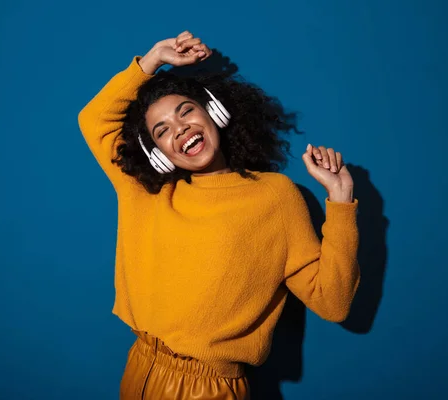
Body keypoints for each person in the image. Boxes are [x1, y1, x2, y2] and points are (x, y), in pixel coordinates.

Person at [78, 31, 360, 400]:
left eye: (186, 111)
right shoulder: (146, 191)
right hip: (140, 368)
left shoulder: (274, 196)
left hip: (208, 389)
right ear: (157, 151)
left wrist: (340, 202)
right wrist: (152, 60)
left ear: (214, 112)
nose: (180, 129)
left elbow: (333, 301)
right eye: (162, 131)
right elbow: (94, 120)